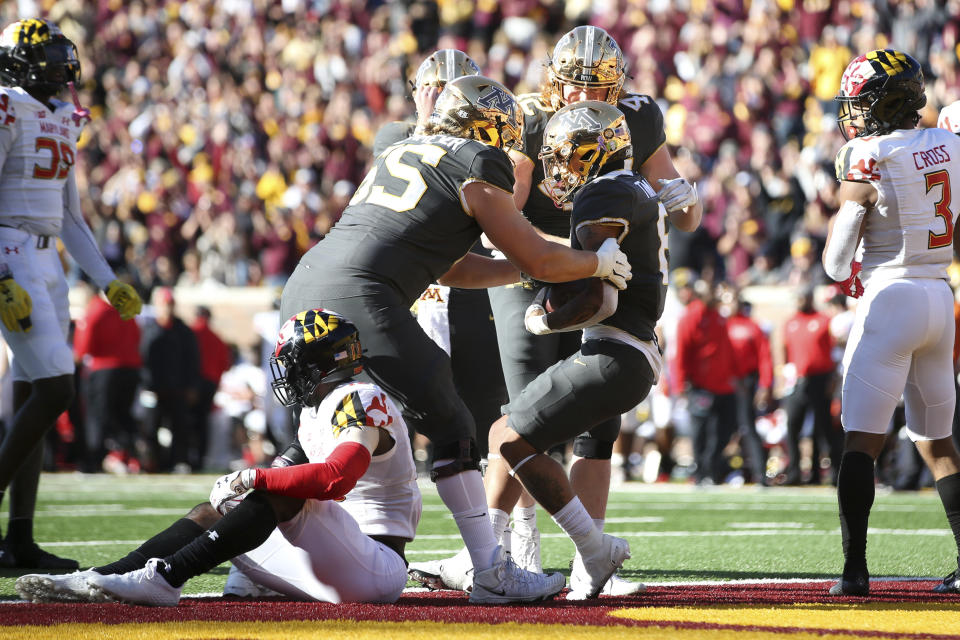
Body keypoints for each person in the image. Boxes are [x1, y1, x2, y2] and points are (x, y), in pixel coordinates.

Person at [279, 75, 632, 604]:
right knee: (454, 426)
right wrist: (594, 261)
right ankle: (491, 572)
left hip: (305, 285)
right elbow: (536, 255)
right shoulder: (477, 160)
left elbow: (450, 268)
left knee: (324, 427)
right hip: (365, 297)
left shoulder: (404, 149)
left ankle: (250, 556)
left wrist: (524, 272)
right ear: (485, 125)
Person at [410, 24, 700, 596]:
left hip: (600, 261)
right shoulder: (529, 117)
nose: (585, 96)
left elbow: (682, 214)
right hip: (531, 261)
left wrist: (681, 196)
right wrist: (539, 258)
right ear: (553, 82)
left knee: (597, 425)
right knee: (523, 412)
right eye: (574, 84)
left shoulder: (639, 118)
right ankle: (499, 549)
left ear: (620, 86)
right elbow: (509, 203)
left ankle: (590, 555)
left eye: (600, 86)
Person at [15, 309, 420, 606]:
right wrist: (244, 489)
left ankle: (166, 579)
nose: (287, 374)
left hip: (374, 568)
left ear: (318, 364)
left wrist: (252, 479)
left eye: (293, 364)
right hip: (332, 561)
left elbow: (334, 478)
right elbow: (278, 476)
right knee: (220, 505)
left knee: (270, 491)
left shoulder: (361, 398)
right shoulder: (317, 409)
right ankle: (102, 576)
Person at [487, 100, 669, 599]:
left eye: (565, 156)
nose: (557, 169)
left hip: (618, 349)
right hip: (631, 348)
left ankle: (581, 547)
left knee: (507, 436)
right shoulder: (632, 186)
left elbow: (601, 296)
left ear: (594, 152)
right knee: (509, 432)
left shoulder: (603, 192)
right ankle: (581, 551)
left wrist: (543, 318)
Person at [0, 18, 142, 569]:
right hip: (11, 253)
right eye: (51, 58)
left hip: (48, 259)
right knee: (56, 389)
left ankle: (19, 538)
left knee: (38, 394)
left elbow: (70, 217)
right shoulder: (8, 106)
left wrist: (106, 281)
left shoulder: (60, 116)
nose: (64, 69)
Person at [823, 49, 960, 595]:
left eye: (861, 103)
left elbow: (835, 263)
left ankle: (854, 571)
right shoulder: (951, 144)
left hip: (889, 298)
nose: (853, 114)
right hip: (938, 296)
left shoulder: (868, 152)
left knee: (861, 441)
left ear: (887, 103)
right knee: (940, 442)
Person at [72, 275, 142, 474]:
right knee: (122, 416)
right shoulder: (126, 312)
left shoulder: (96, 309)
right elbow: (137, 339)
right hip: (130, 370)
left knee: (97, 417)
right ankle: (128, 456)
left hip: (103, 370)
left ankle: (95, 460)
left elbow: (82, 347)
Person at [674, 280, 739, 485]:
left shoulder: (718, 316)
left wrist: (735, 376)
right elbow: (681, 352)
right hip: (701, 386)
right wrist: (680, 384)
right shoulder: (691, 317)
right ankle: (702, 472)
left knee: (726, 429)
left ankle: (711, 466)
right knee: (701, 431)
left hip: (724, 386)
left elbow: (727, 350)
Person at [779, 286, 841, 486]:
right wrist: (782, 372)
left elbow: (834, 350)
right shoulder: (790, 322)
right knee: (792, 425)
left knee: (823, 429)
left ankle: (831, 472)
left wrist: (833, 379)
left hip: (820, 378)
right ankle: (795, 471)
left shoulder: (824, 320)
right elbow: (783, 347)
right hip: (798, 380)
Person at [139, 287, 200, 473]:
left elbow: (193, 360)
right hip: (154, 389)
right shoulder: (149, 331)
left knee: (179, 428)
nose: (168, 308)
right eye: (165, 304)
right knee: (151, 428)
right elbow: (143, 360)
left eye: (170, 304)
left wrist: (191, 386)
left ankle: (178, 461)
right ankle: (154, 462)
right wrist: (146, 385)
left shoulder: (184, 331)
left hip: (178, 389)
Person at [721, 285, 773, 486]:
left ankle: (760, 474)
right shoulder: (719, 325)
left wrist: (764, 385)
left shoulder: (752, 326)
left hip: (745, 382)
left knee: (747, 426)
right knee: (720, 428)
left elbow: (764, 357)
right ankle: (714, 472)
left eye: (731, 300)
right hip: (723, 382)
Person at [189, 306, 231, 471]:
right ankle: (200, 459)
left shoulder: (191, 333)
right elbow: (225, 365)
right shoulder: (217, 338)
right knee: (202, 423)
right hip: (210, 383)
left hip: (193, 383)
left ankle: (188, 458)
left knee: (189, 422)